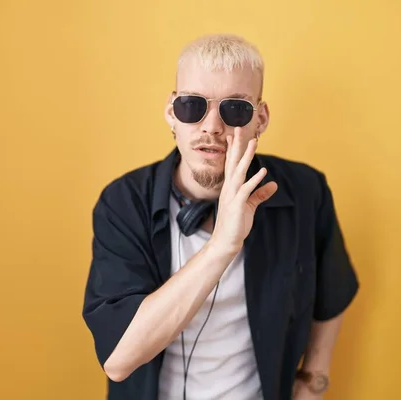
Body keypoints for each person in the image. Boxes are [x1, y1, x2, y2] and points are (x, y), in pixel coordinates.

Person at [82, 33, 359, 400]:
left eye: (235, 109)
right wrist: (222, 246)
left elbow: (332, 294)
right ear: (171, 113)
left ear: (260, 119)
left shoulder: (305, 191)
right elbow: (119, 360)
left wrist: (313, 381)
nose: (211, 126)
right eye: (192, 105)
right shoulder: (123, 202)